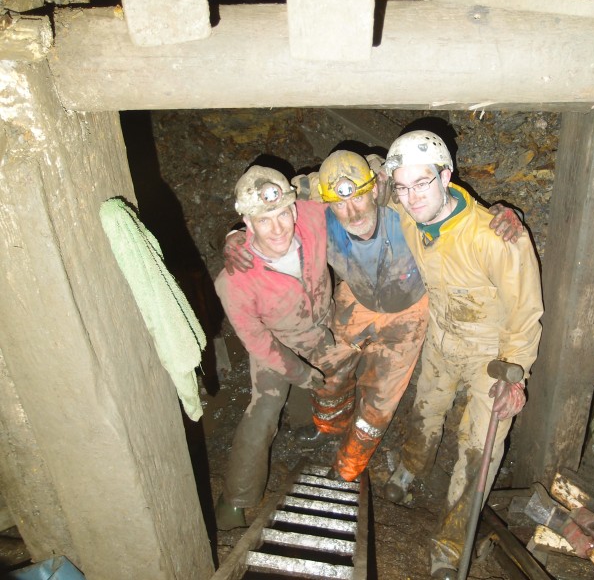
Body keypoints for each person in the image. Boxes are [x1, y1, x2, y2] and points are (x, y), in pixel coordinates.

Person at [223, 150, 525, 485]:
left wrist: (492, 215)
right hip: (354, 297)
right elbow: (280, 202)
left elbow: (445, 204)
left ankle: (346, 470)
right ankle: (329, 426)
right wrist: (238, 235)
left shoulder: (402, 206)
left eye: (359, 199)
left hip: (409, 312)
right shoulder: (315, 213)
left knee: (379, 402)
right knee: (329, 373)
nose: (351, 213)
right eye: (339, 204)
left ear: (375, 188)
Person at [380, 130, 544, 580]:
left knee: (479, 448)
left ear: (446, 176)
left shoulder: (495, 236)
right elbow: (350, 189)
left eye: (422, 183)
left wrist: (515, 374)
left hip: (489, 355)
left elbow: (526, 311)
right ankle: (412, 467)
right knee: (426, 408)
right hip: (440, 336)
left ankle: (450, 545)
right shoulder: (407, 211)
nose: (412, 197)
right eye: (403, 186)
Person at [213, 165, 336, 530]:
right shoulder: (234, 282)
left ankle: (305, 425)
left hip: (321, 323)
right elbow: (258, 343)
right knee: (265, 408)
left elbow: (357, 192)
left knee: (331, 377)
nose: (279, 228)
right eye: (265, 221)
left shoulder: (313, 217)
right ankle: (235, 499)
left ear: (295, 209)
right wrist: (301, 373)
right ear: (248, 224)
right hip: (276, 342)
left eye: (283, 214)